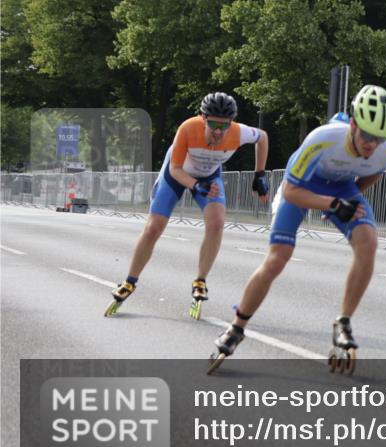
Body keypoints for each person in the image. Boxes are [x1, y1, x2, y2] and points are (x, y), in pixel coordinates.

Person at [208, 85, 386, 374]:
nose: (371, 145)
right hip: (302, 184)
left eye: (379, 139)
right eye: (366, 136)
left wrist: (352, 197)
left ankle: (343, 322)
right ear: (353, 125)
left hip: (341, 187)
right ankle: (236, 328)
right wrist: (332, 204)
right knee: (277, 258)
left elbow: (377, 168)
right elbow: (290, 192)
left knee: (369, 242)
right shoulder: (322, 139)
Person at [105, 92, 269, 320]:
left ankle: (200, 281)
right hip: (177, 174)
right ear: (203, 118)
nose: (218, 131)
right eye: (212, 124)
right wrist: (195, 186)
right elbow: (174, 170)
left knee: (216, 224)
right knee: (154, 228)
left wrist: (259, 174)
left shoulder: (239, 133)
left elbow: (262, 137)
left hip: (210, 176)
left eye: (224, 125)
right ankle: (129, 281)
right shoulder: (188, 128)